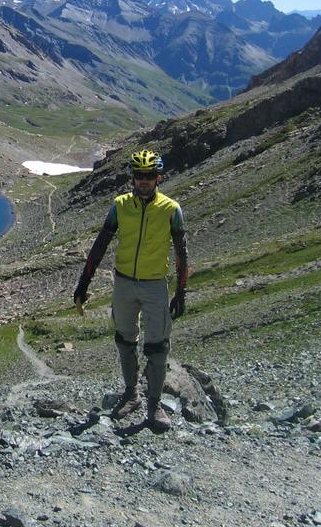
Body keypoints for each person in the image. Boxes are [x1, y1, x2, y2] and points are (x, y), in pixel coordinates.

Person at [73, 149, 190, 431]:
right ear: (132, 178)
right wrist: (83, 284)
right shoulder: (119, 205)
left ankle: (155, 405)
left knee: (157, 348)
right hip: (124, 283)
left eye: (150, 176)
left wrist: (181, 291)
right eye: (140, 175)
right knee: (125, 341)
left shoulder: (171, 209)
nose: (144, 181)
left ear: (159, 177)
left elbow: (182, 254)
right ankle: (131, 394)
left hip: (155, 286)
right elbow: (99, 245)